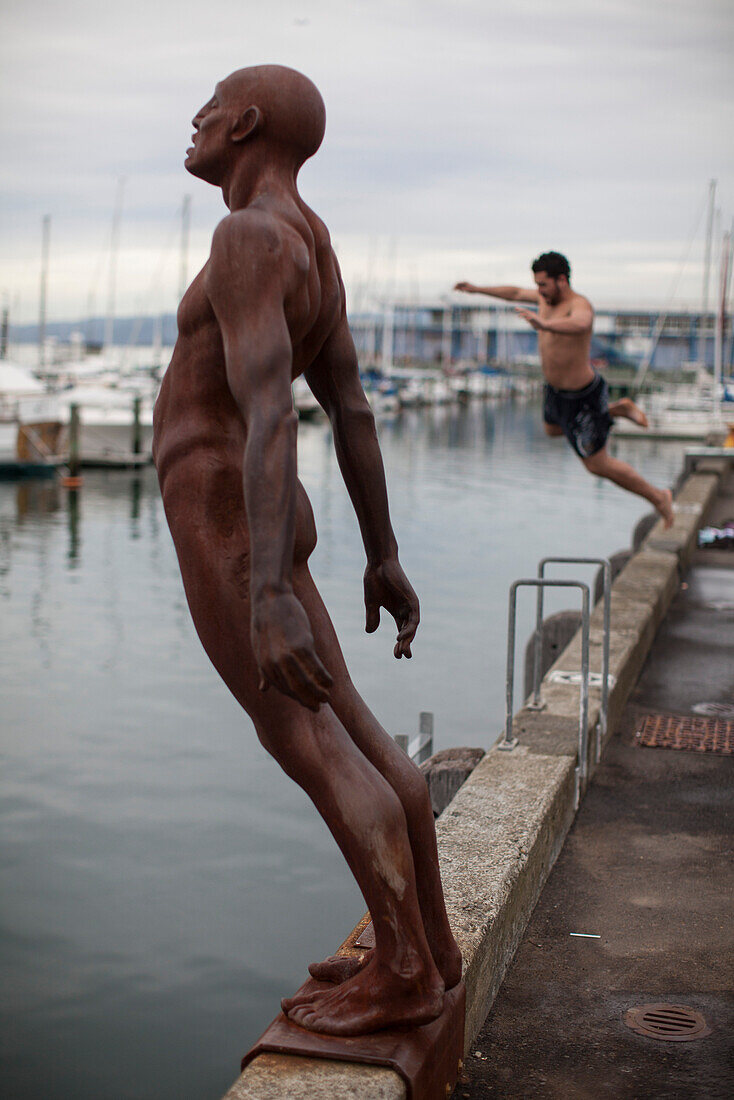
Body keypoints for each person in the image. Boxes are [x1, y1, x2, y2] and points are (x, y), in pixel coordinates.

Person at [153, 65, 461, 1037]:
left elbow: (274, 410)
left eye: (206, 109)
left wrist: (269, 596)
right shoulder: (310, 243)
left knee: (303, 737)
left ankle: (404, 972)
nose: (193, 124)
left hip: (228, 516)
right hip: (269, 524)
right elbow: (354, 408)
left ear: (242, 123)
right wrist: (380, 551)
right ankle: (428, 947)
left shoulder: (246, 236)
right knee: (359, 735)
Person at [455, 252, 673, 526]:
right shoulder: (544, 299)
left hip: (583, 395)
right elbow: (512, 292)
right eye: (537, 285)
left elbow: (580, 323)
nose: (539, 291)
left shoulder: (579, 305)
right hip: (555, 391)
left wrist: (544, 324)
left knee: (597, 465)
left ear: (561, 280)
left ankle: (659, 498)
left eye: (543, 284)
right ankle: (616, 410)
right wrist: (476, 289)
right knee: (551, 430)